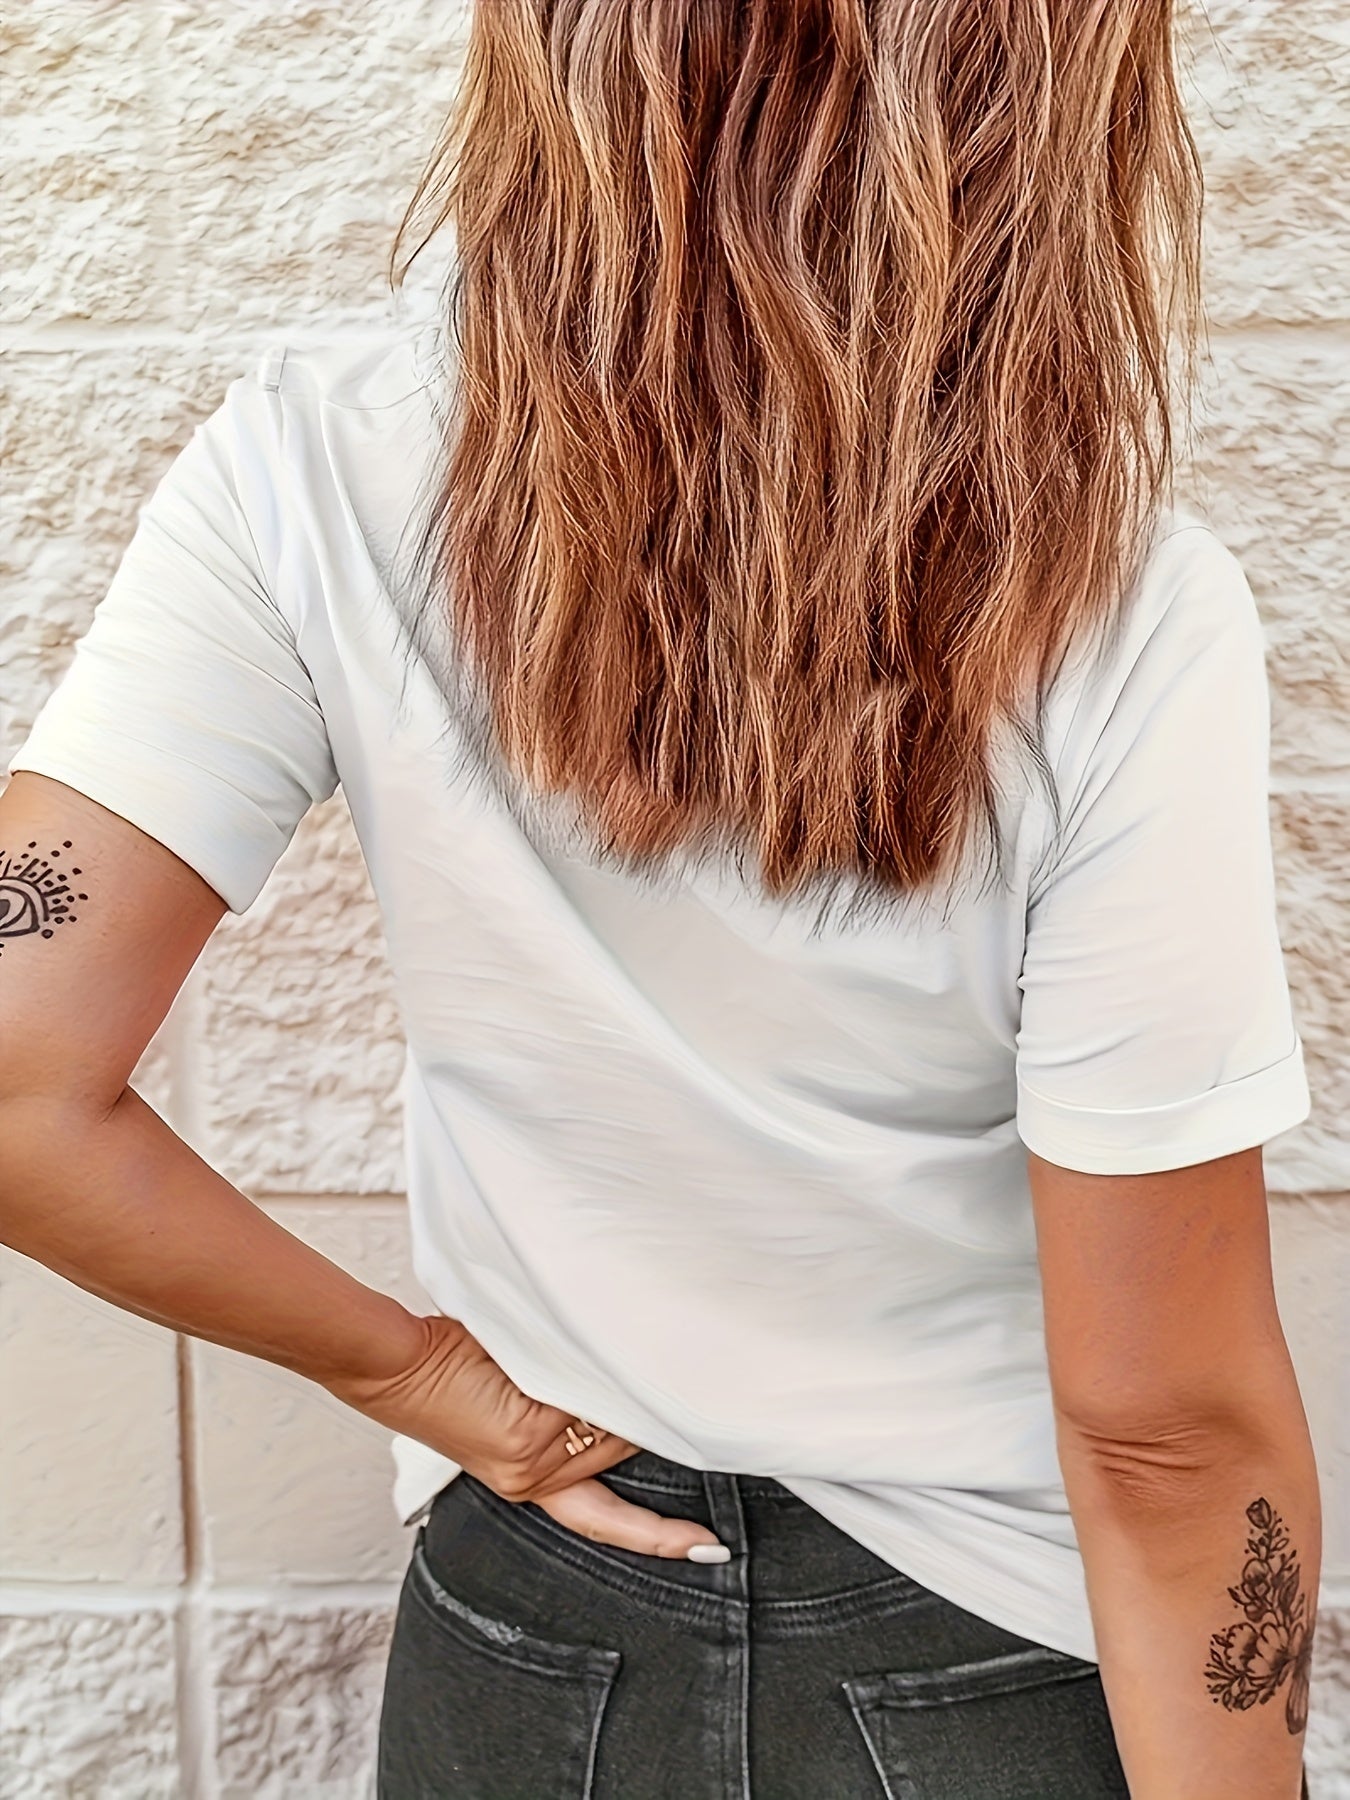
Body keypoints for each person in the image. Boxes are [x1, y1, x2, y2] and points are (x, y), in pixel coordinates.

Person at [0, 3, 1322, 1796]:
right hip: (977, 1654)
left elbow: (17, 1075)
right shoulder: (1123, 607)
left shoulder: (309, 463)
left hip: (530, 1621)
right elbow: (1162, 1427)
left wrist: (422, 1380)